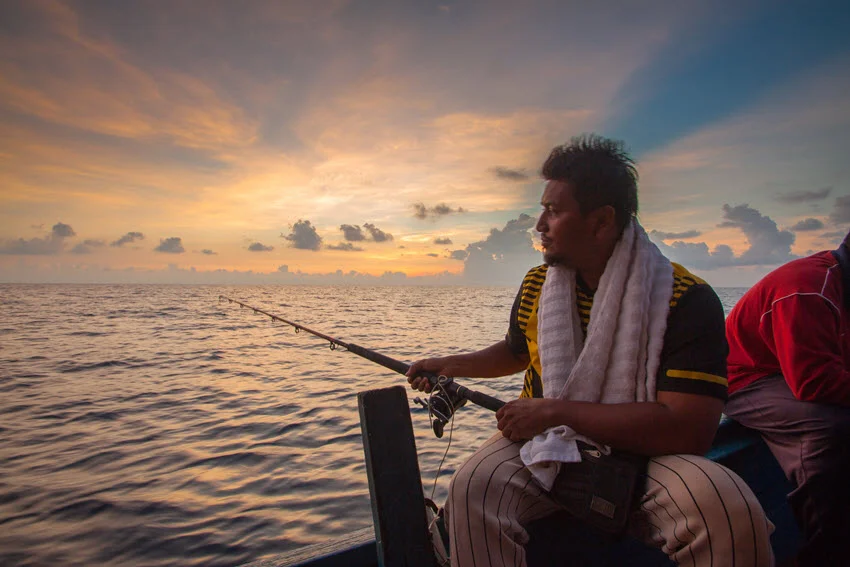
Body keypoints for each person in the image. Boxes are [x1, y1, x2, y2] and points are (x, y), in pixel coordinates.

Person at [407, 134, 774, 567]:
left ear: (601, 222)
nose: (539, 225)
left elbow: (688, 431)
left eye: (554, 211)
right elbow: (514, 351)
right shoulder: (537, 285)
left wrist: (554, 412)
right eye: (542, 209)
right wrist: (445, 365)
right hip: (542, 441)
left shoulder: (686, 298)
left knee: (727, 508)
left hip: (647, 453)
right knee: (473, 490)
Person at [725, 232, 850, 567]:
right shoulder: (809, 287)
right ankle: (825, 549)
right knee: (830, 426)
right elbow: (815, 383)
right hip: (748, 378)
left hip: (791, 373)